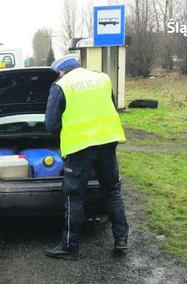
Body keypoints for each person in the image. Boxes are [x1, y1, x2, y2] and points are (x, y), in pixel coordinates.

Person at [44, 54, 129, 261]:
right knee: (111, 190)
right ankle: (121, 240)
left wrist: (62, 138)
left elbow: (51, 124)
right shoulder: (102, 78)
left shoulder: (61, 85)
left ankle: (69, 247)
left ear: (61, 71)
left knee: (74, 196)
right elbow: (110, 105)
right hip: (108, 142)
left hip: (80, 147)